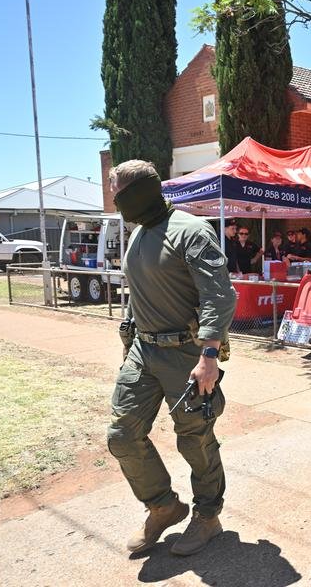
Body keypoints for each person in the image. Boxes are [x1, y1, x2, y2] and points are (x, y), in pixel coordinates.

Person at [106, 160, 236, 556]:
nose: (114, 200)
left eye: (118, 192)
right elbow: (140, 291)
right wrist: (129, 339)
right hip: (143, 352)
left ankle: (208, 516)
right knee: (122, 436)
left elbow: (220, 295)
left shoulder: (190, 231)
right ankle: (163, 506)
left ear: (138, 192)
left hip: (186, 354)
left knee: (195, 439)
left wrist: (209, 355)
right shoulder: (139, 234)